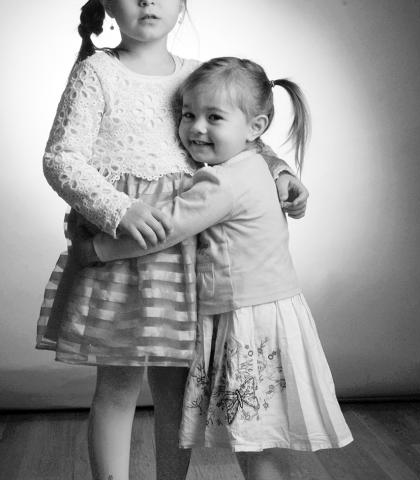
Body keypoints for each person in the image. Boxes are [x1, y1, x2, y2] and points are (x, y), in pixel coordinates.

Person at [35, 2, 309, 480]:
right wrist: (118, 210)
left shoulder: (195, 73)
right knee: (117, 388)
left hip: (187, 260)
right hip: (125, 254)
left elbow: (244, 138)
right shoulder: (96, 73)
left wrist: (282, 172)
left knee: (178, 393)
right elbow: (61, 159)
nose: (147, 1)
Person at [86, 56, 353, 480]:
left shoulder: (222, 182)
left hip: (243, 317)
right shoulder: (255, 168)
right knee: (259, 436)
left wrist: (98, 249)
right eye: (188, 115)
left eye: (214, 118)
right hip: (271, 311)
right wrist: (282, 169)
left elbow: (165, 229)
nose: (196, 128)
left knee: (254, 438)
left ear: (256, 127)